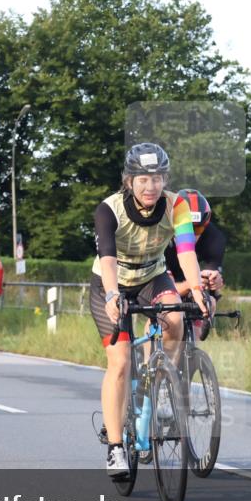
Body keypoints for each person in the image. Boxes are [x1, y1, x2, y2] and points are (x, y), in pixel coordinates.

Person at [90, 142, 208, 477]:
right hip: (109, 283)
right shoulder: (108, 209)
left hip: (152, 277)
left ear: (165, 179)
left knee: (175, 318)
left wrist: (197, 289)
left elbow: (186, 251)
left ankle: (159, 384)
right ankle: (115, 448)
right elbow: (108, 259)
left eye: (157, 178)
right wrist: (114, 296)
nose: (150, 186)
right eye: (142, 179)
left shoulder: (177, 205)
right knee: (121, 360)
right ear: (129, 181)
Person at [163, 189, 226, 338]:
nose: (190, 233)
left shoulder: (214, 238)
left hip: (192, 285)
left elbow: (210, 279)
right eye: (186, 227)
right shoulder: (162, 238)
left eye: (197, 228)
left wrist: (214, 281)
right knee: (163, 320)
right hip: (164, 282)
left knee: (209, 300)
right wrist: (193, 284)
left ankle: (193, 351)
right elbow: (167, 290)